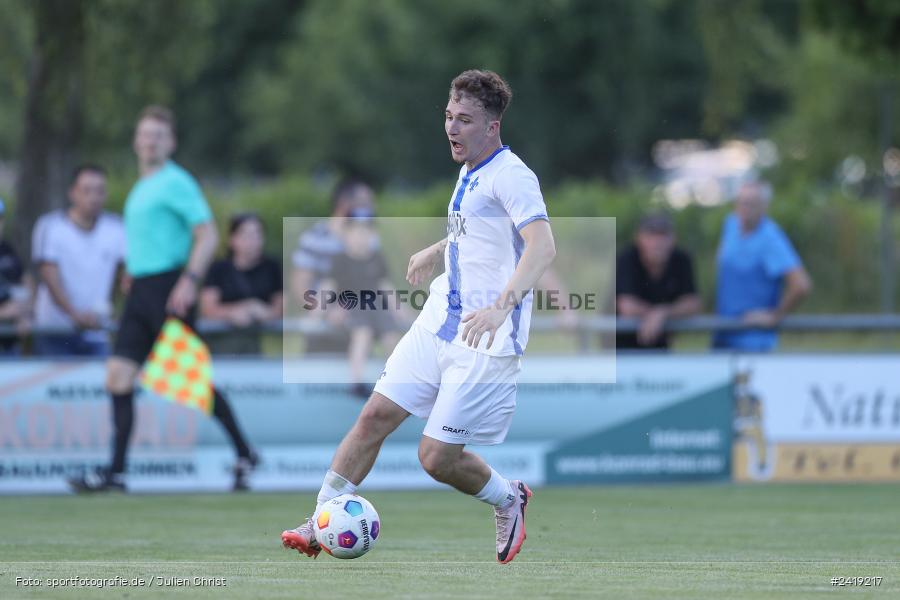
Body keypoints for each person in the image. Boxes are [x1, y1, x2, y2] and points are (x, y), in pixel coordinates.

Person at [282, 69, 556, 564]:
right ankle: (320, 518)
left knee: (434, 458)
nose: (452, 128)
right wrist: (438, 248)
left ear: (492, 126)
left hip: (484, 339)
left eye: (465, 120)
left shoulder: (512, 175)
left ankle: (507, 497)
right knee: (373, 417)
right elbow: (478, 232)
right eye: (449, 116)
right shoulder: (470, 168)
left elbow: (542, 246)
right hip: (438, 322)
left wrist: (501, 306)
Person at [68, 106, 256, 493]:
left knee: (192, 383)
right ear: (136, 140)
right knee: (118, 376)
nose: (150, 140)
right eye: (145, 134)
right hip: (140, 292)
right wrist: (133, 270)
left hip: (169, 290)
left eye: (158, 135)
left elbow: (205, 235)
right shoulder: (142, 186)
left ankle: (244, 452)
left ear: (170, 142)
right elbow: (150, 239)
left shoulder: (176, 182)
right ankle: (115, 473)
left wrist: (189, 280)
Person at [31, 165, 126, 356]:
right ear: (72, 193)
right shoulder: (50, 226)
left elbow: (124, 276)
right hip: (55, 332)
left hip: (98, 332)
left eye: (100, 191)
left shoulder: (116, 228)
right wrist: (75, 315)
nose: (94, 197)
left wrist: (115, 312)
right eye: (87, 190)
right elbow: (50, 278)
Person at [713, 180, 812, 351]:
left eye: (751, 204)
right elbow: (722, 260)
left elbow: (801, 285)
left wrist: (774, 316)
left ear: (764, 207)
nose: (744, 208)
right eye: (741, 202)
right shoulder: (730, 224)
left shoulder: (770, 238)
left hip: (753, 340)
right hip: (722, 333)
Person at [321, 208, 402, 397]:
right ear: (346, 234)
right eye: (356, 231)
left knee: (391, 336)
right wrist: (322, 310)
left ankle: (396, 381)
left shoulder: (377, 258)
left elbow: (386, 287)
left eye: (366, 232)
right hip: (352, 308)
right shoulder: (340, 259)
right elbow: (328, 287)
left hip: (376, 306)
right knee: (362, 333)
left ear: (374, 235)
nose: (361, 237)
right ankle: (356, 381)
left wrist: (399, 309)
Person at [290, 178, 377, 353]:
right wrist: (327, 312)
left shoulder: (371, 240)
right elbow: (300, 284)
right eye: (365, 203)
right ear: (345, 204)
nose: (372, 208)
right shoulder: (314, 237)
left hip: (360, 328)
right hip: (322, 331)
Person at [200, 212, 283, 355]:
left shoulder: (271, 267)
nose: (252, 241)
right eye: (246, 235)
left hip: (257, 346)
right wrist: (232, 313)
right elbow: (207, 309)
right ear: (232, 239)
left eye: (257, 234)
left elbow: (281, 306)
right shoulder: (219, 269)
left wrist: (263, 312)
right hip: (220, 345)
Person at [615, 213, 701, 350]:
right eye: (651, 235)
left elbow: (692, 303)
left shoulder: (682, 260)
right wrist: (656, 315)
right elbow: (626, 305)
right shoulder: (626, 258)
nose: (657, 242)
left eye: (663, 235)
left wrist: (662, 313)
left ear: (673, 238)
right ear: (638, 238)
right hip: (620, 347)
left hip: (660, 346)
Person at [0, 198, 31, 354]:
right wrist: (3, 313)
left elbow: (25, 283)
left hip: (9, 344)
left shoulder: (8, 250)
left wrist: (24, 313)